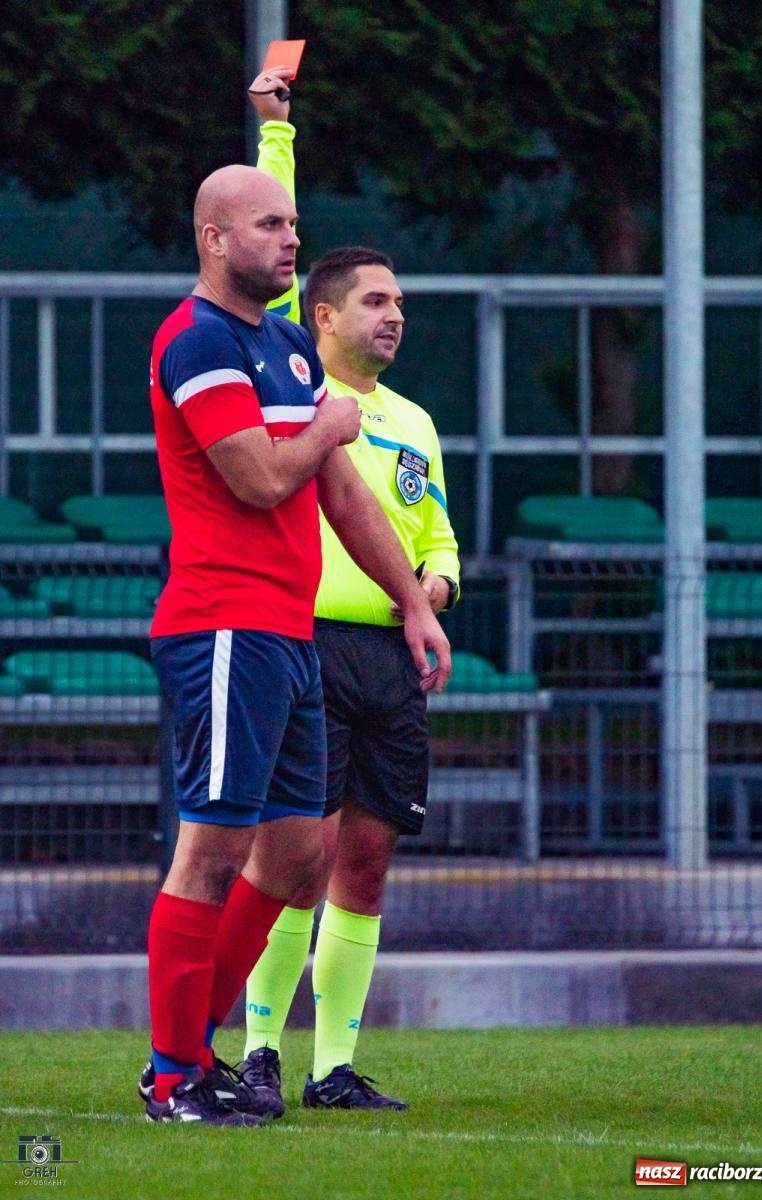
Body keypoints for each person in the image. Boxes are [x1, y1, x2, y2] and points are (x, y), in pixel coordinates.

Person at [141, 159, 451, 1126]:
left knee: (294, 858)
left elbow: (340, 492)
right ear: (216, 240)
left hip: (286, 633)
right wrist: (331, 428)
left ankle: (195, 1054)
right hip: (225, 622)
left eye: (294, 224)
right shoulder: (195, 342)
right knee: (212, 850)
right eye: (270, 225)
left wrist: (412, 602)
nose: (290, 240)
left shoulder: (284, 344)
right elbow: (263, 479)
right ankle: (171, 1075)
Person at [237, 67, 460, 1113]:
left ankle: (331, 1068)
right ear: (318, 315)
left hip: (387, 655)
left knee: (364, 864)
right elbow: (269, 250)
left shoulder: (413, 422)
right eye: (375, 300)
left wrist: (439, 580)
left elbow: (437, 533)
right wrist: (274, 132)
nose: (393, 316)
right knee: (300, 852)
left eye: (400, 304)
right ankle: (259, 1049)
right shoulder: (292, 371)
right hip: (304, 638)